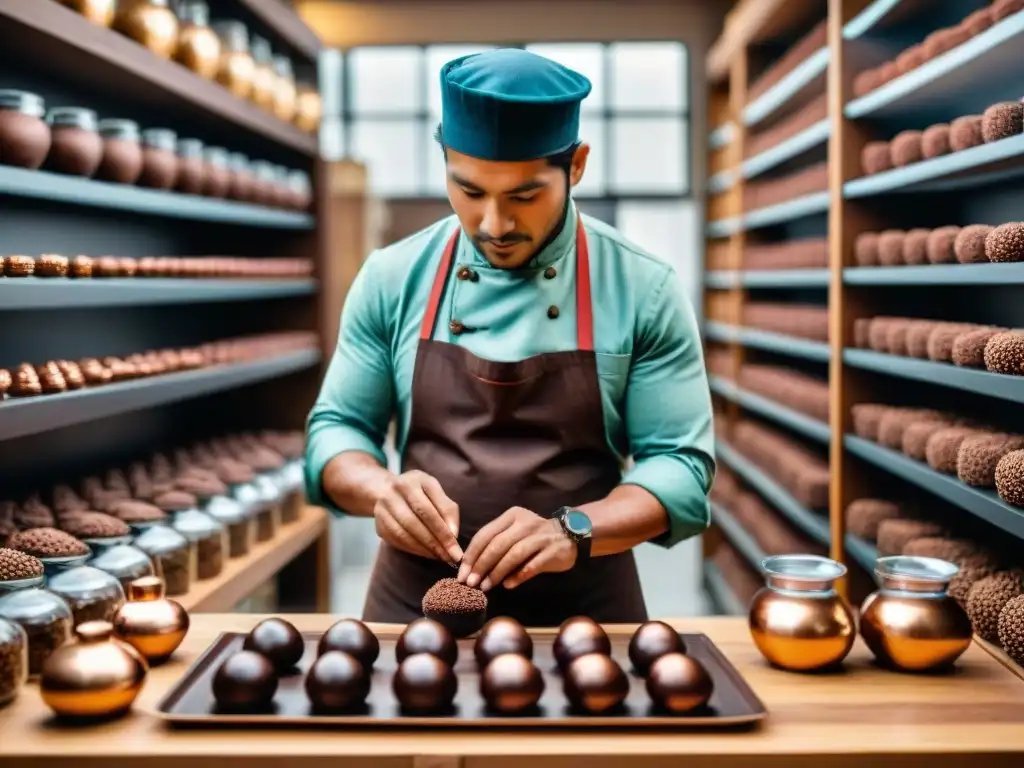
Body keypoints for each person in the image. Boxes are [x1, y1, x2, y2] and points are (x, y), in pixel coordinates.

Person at [305, 48, 715, 626]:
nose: (493, 225)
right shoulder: (392, 277)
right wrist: (380, 491)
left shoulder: (643, 287)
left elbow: (680, 466)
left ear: (575, 166)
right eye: (469, 192)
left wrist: (573, 530)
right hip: (415, 609)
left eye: (523, 196)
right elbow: (335, 431)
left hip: (587, 612)